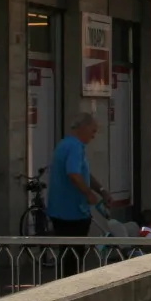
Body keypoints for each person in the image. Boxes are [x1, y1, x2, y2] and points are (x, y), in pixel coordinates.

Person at [47, 114, 105, 277]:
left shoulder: (65, 144)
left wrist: (100, 190)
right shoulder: (74, 147)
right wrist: (88, 194)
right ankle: (68, 287)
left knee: (68, 253)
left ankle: (66, 283)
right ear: (84, 128)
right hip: (71, 212)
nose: (93, 136)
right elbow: (73, 174)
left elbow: (83, 173)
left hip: (61, 210)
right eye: (92, 132)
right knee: (72, 255)